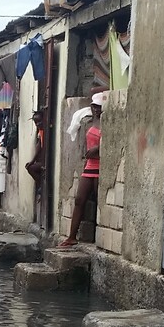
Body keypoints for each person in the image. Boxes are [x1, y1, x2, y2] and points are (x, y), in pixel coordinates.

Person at [63, 95, 102, 246]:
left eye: (99, 107)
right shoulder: (89, 120)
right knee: (79, 200)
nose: (96, 109)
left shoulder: (106, 121)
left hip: (99, 166)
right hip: (89, 166)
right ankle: (71, 237)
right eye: (94, 106)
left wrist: (97, 149)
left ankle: (99, 239)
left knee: (99, 202)